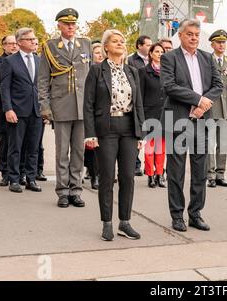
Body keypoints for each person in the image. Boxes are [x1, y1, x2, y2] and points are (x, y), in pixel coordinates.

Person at [161, 19, 223, 232]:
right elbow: (168, 86)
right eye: (190, 34)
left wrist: (203, 106)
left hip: (201, 122)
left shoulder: (207, 58)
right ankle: (177, 216)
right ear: (180, 35)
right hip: (177, 121)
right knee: (176, 172)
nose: (194, 37)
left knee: (200, 172)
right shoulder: (169, 58)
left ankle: (195, 213)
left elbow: (218, 85)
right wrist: (197, 100)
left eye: (197, 34)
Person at [84, 29, 145, 242]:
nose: (120, 43)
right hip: (106, 129)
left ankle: (125, 222)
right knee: (108, 177)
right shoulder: (96, 71)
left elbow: (138, 103)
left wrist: (141, 133)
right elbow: (88, 104)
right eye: (115, 41)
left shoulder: (132, 71)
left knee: (128, 176)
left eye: (122, 41)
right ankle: (107, 223)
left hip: (129, 128)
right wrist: (90, 134)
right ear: (105, 47)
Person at [39, 8, 91, 208]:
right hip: (60, 105)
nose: (71, 27)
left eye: (73, 23)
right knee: (62, 152)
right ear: (59, 25)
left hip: (82, 105)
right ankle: (62, 191)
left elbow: (90, 77)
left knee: (79, 151)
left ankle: (76, 190)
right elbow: (43, 79)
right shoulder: (50, 46)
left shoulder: (85, 43)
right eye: (67, 24)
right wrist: (44, 105)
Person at [1, 28, 43, 193]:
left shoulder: (40, 61)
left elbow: (42, 86)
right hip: (17, 111)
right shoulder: (10, 61)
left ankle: (31, 179)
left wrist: (45, 109)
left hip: (36, 111)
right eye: (30, 39)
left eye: (34, 39)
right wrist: (8, 109)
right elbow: (5, 88)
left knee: (33, 148)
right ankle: (14, 179)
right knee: (15, 147)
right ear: (20, 42)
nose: (34, 41)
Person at [206, 30, 227, 189]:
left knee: (223, 144)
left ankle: (220, 174)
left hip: (225, 109)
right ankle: (210, 175)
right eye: (218, 42)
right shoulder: (206, 60)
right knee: (210, 143)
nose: (221, 45)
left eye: (223, 42)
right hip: (210, 107)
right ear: (212, 44)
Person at [0, 35, 19, 186]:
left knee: (20, 143)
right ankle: (5, 173)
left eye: (15, 43)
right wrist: (10, 98)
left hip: (23, 108)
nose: (14, 46)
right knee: (6, 142)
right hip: (4, 108)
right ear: (3, 46)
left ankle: (20, 173)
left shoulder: (25, 61)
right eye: (10, 44)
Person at [139, 43, 167, 189]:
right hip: (149, 113)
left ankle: (160, 174)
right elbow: (140, 95)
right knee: (149, 149)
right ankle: (150, 175)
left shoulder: (168, 72)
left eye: (162, 52)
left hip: (164, 114)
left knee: (161, 148)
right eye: (157, 51)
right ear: (150, 54)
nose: (160, 54)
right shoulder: (143, 72)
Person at [128, 35, 152, 177]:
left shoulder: (153, 59)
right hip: (136, 99)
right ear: (139, 46)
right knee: (137, 134)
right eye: (147, 45)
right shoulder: (131, 60)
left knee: (149, 136)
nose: (150, 47)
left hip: (149, 101)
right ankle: (135, 164)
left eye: (151, 45)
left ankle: (149, 165)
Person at [83, 41, 104, 190]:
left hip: (102, 113)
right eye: (97, 52)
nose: (100, 55)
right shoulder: (87, 70)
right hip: (88, 112)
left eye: (102, 52)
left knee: (100, 147)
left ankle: (97, 174)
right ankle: (91, 172)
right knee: (89, 147)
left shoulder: (108, 69)